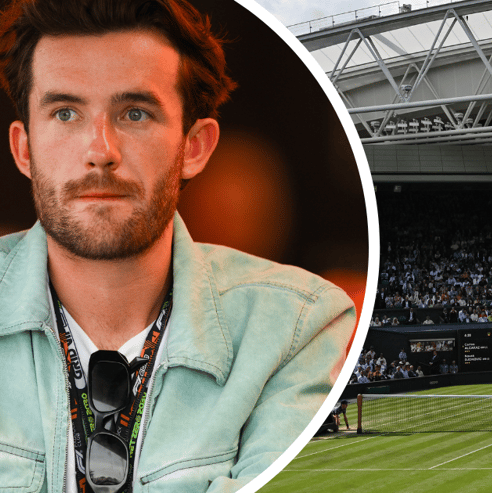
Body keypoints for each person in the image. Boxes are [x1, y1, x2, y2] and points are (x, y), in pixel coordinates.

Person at [0, 1, 356, 492]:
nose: (100, 150)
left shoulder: (296, 327)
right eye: (65, 113)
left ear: (195, 147)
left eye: (135, 113)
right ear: (24, 149)